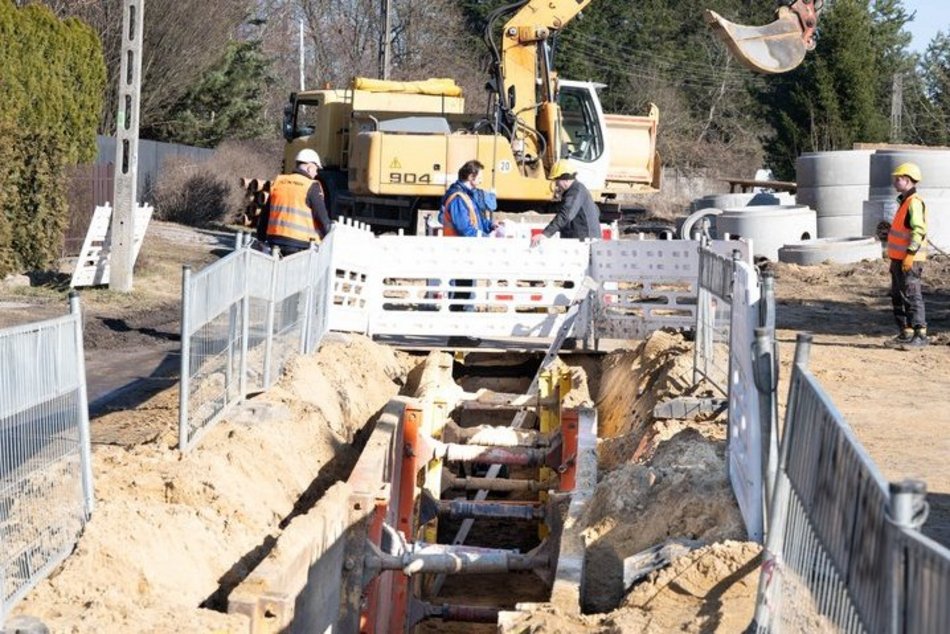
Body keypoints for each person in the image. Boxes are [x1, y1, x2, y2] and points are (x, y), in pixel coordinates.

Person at [439, 160, 496, 313]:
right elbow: (464, 227)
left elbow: (476, 219)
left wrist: (491, 226)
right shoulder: (459, 197)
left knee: (464, 289)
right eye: (479, 176)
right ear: (471, 176)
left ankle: (460, 332)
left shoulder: (466, 196)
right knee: (462, 290)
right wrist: (484, 237)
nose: (481, 180)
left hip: (464, 250)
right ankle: (457, 330)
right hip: (460, 250)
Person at [883, 162, 928, 348]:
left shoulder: (913, 202)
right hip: (898, 258)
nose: (895, 181)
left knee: (912, 295)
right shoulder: (904, 202)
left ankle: (920, 334)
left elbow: (919, 230)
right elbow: (904, 231)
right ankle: (906, 331)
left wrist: (910, 253)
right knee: (898, 296)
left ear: (908, 180)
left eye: (898, 178)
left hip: (910, 259)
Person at [257, 148, 331, 256]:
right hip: (300, 245)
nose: (316, 173)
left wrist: (261, 239)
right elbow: (323, 220)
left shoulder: (279, 182)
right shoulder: (311, 186)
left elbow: (265, 215)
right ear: (310, 167)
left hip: (274, 242)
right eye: (316, 169)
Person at [530, 160, 600, 247]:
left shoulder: (576, 191)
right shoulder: (574, 192)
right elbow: (559, 208)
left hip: (584, 243)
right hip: (582, 240)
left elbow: (566, 215)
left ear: (566, 179)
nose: (556, 184)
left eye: (557, 180)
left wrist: (545, 234)